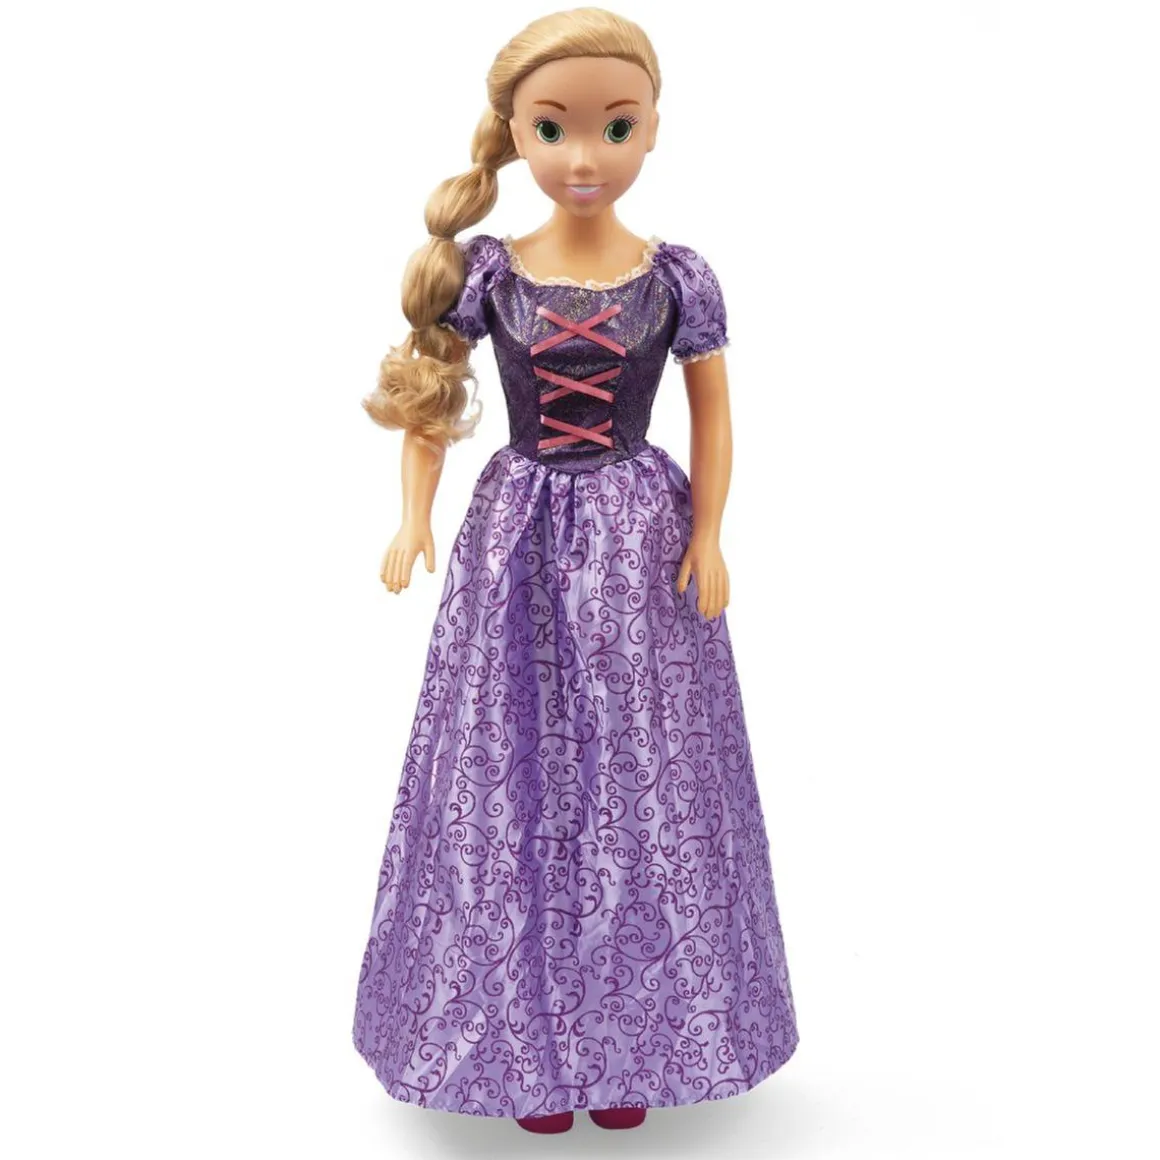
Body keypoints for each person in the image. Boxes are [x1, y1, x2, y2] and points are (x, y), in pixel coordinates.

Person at [353, 7, 798, 1134]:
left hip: (641, 540)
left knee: (648, 775)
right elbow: (430, 399)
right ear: (513, 134)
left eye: (615, 126)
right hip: (518, 536)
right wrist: (412, 515)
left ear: (652, 130)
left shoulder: (675, 277)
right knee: (507, 770)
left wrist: (708, 532)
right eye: (553, 129)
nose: (585, 155)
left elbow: (713, 415)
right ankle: (522, 1049)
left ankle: (631, 1042)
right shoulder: (488, 274)